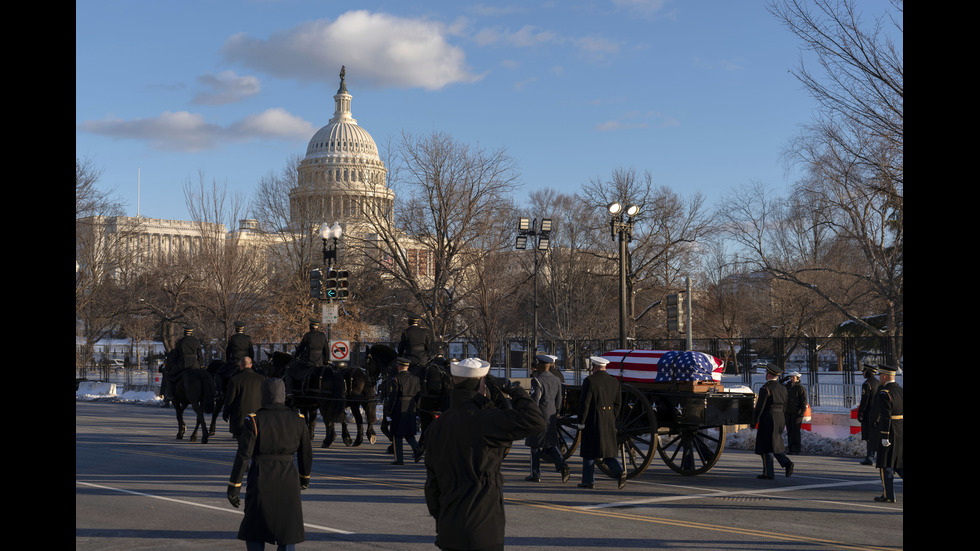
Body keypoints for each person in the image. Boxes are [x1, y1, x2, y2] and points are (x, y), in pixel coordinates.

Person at [423, 357, 545, 551]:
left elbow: (432, 486)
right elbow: (535, 420)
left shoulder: (437, 426)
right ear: (482, 385)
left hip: (449, 529)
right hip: (483, 528)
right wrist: (515, 390)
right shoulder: (485, 420)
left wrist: (442, 520)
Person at [227, 378, 313, 550]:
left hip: (261, 477)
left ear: (264, 396)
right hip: (289, 477)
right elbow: (306, 453)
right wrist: (304, 478)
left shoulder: (254, 420)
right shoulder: (298, 419)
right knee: (287, 531)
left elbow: (243, 456)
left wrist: (234, 486)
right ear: (283, 395)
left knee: (255, 530)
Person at [577, 356, 627, 490]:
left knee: (589, 452)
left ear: (594, 367)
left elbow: (585, 403)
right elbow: (618, 403)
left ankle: (588, 481)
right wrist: (612, 417)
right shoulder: (614, 381)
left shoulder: (590, 381)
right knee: (606, 451)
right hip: (608, 419)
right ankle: (619, 472)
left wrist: (581, 421)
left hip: (593, 419)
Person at [525, 354, 570, 484]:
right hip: (551, 415)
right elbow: (558, 399)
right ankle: (562, 466)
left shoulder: (537, 380)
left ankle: (535, 473)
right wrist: (555, 412)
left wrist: (531, 414)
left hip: (539, 415)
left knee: (535, 445)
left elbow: (535, 400)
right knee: (549, 444)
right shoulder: (556, 379)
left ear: (539, 365)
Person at [753, 364, 795, 479]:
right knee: (774, 443)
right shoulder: (783, 388)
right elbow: (785, 405)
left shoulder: (765, 388)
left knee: (766, 445)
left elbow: (760, 406)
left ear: (769, 375)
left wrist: (754, 420)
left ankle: (773, 470)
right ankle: (774, 469)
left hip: (768, 417)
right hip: (780, 417)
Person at [873, 364, 903, 503]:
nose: (879, 378)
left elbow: (885, 415)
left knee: (885, 464)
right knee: (899, 463)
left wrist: (884, 435)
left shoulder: (885, 392)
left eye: (880, 376)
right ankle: (888, 494)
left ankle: (888, 494)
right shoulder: (900, 390)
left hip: (890, 431)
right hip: (900, 429)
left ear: (885, 376)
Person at [385, 357, 422, 465]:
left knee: (397, 434)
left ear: (400, 366)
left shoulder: (396, 378)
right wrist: (417, 410)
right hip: (411, 407)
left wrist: (389, 411)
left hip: (399, 406)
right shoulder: (415, 379)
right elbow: (418, 395)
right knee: (409, 433)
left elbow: (393, 396)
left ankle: (399, 459)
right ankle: (417, 450)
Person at [223, 357, 266, 440]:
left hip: (240, 418)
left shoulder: (235, 379)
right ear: (251, 365)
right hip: (257, 418)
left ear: (241, 366)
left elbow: (230, 399)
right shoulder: (261, 379)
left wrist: (226, 413)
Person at [163, 325, 205, 404]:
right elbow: (199, 355)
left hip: (183, 363)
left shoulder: (180, 341)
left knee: (170, 376)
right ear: (191, 332)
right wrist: (201, 365)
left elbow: (176, 354)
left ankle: (169, 394)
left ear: (184, 332)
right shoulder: (196, 341)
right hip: (194, 364)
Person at [857, 363, 881, 465]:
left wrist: (861, 412)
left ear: (868, 372)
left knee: (868, 436)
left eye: (864, 371)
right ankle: (876, 457)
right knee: (875, 435)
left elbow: (865, 400)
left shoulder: (867, 384)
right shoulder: (879, 383)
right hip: (878, 413)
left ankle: (870, 457)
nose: (863, 373)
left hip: (868, 413)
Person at [783, 371, 808, 454]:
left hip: (797, 413)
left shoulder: (800, 388)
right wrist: (784, 379)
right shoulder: (787, 386)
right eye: (791, 377)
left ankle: (796, 449)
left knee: (795, 431)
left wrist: (802, 412)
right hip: (788, 412)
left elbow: (803, 401)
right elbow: (778, 386)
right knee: (789, 430)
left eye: (793, 377)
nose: (791, 379)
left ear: (798, 378)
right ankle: (790, 448)